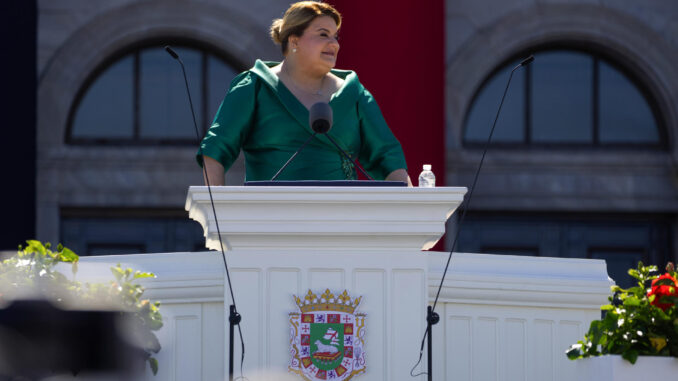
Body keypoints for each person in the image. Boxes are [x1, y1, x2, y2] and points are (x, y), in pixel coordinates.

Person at [197, 1, 411, 185]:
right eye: (323, 35)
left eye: (336, 37)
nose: (334, 44)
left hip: (344, 218)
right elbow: (216, 149)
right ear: (294, 41)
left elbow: (388, 157)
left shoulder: (354, 93)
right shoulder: (254, 86)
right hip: (269, 218)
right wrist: (217, 212)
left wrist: (411, 209)